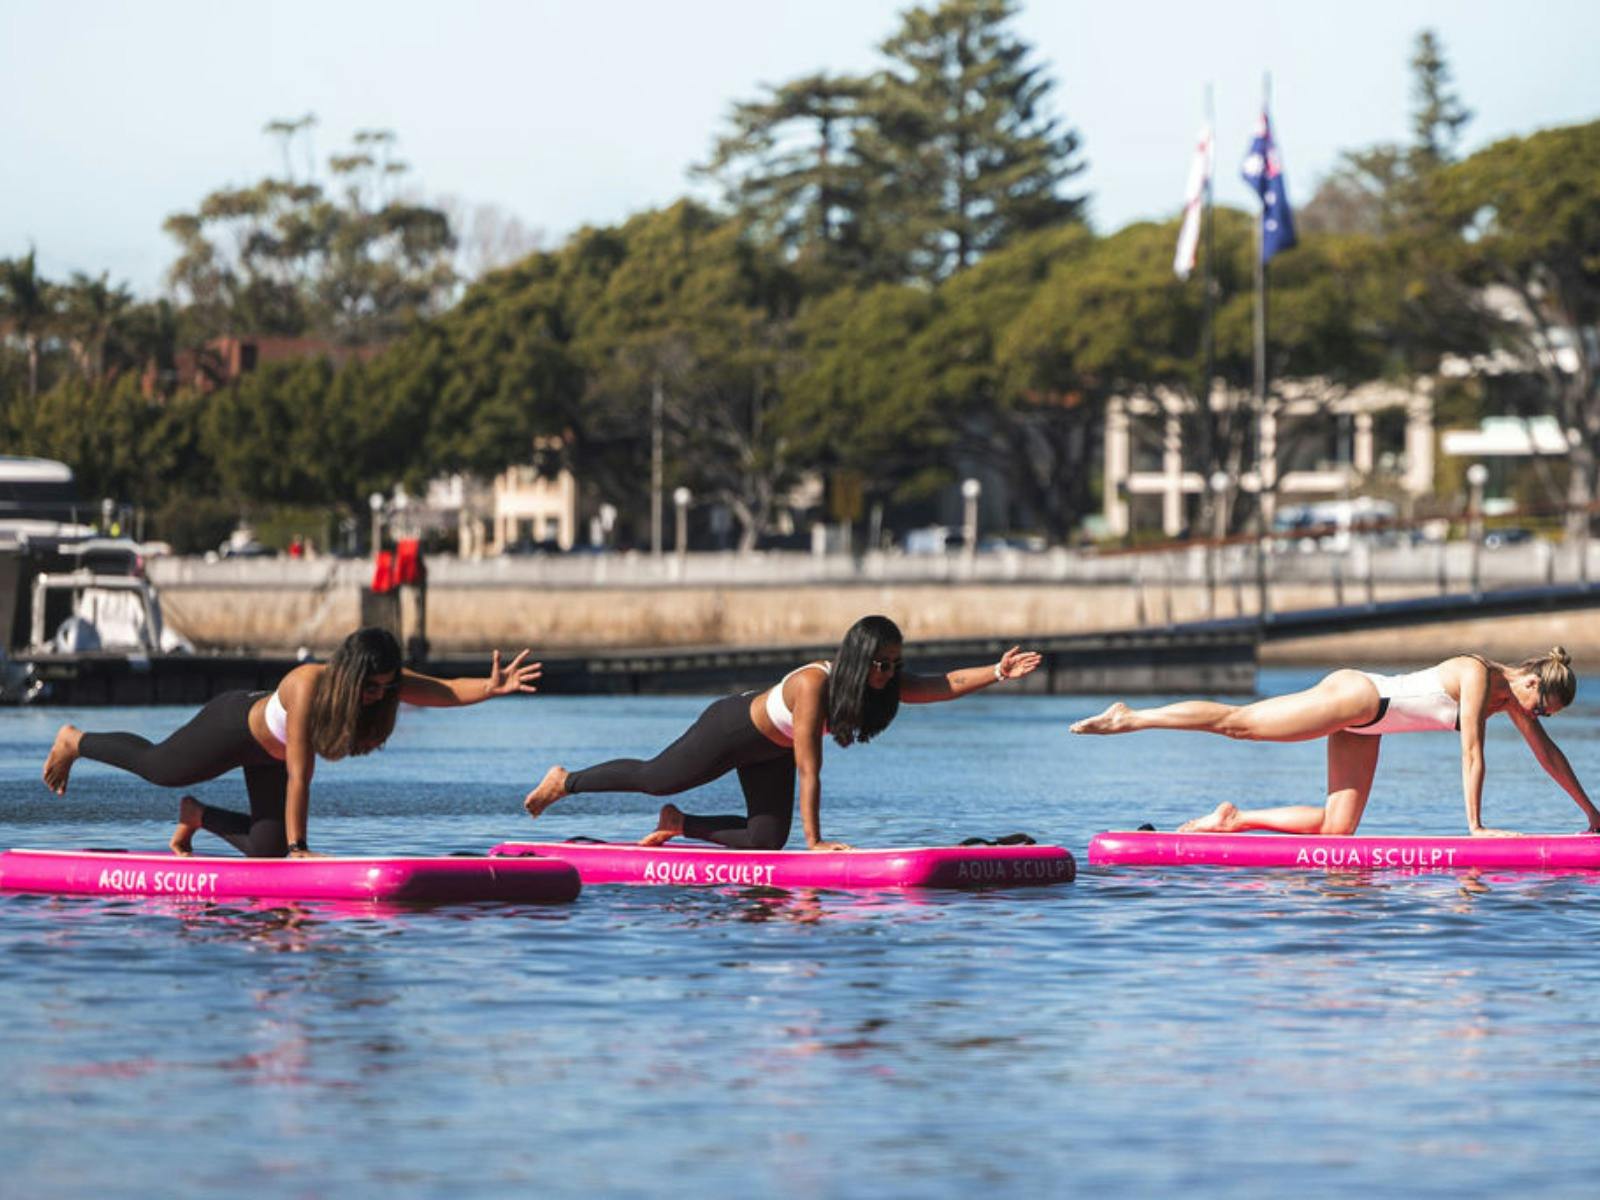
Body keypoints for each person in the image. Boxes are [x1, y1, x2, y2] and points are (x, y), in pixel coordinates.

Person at [522, 614, 1042, 850]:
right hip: (730, 728)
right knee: (657, 776)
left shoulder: (881, 684)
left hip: (766, 750)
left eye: (892, 664)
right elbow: (809, 768)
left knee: (766, 842)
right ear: (858, 657)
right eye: (879, 663)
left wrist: (997, 672)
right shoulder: (816, 685)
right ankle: (566, 781)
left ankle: (678, 825)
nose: (885, 673)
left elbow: (941, 683)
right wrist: (815, 843)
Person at [41, 627, 541, 858]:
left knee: (265, 850)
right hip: (236, 726)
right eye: (372, 686)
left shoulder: (379, 682)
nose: (379, 695)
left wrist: (491, 688)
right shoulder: (309, 685)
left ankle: (194, 816)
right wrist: (303, 848)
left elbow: (444, 690)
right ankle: (75, 740)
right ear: (349, 673)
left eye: (387, 686)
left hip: (269, 755)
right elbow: (302, 773)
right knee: (158, 767)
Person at [1070, 647, 1598, 837]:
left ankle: (1232, 820)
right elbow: (1471, 751)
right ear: (1532, 681)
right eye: (1543, 707)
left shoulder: (1513, 701)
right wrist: (1476, 828)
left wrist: (1593, 816)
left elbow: (1549, 757)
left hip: (1370, 727)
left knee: (1335, 830)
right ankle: (1132, 716)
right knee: (1242, 722)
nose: (1541, 716)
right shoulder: (1480, 674)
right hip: (1360, 697)